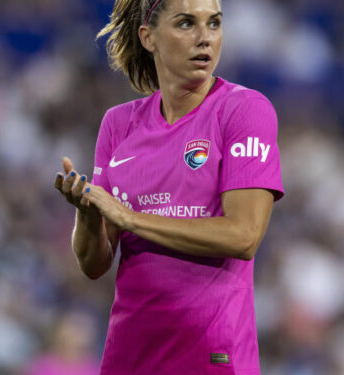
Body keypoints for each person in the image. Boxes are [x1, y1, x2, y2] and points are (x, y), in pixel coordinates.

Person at [52, 0, 284, 373]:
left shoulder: (244, 110)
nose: (205, 39)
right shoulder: (118, 125)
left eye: (214, 24)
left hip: (213, 357)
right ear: (149, 37)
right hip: (128, 358)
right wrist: (88, 213)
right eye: (186, 23)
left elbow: (244, 235)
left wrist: (131, 218)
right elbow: (94, 264)